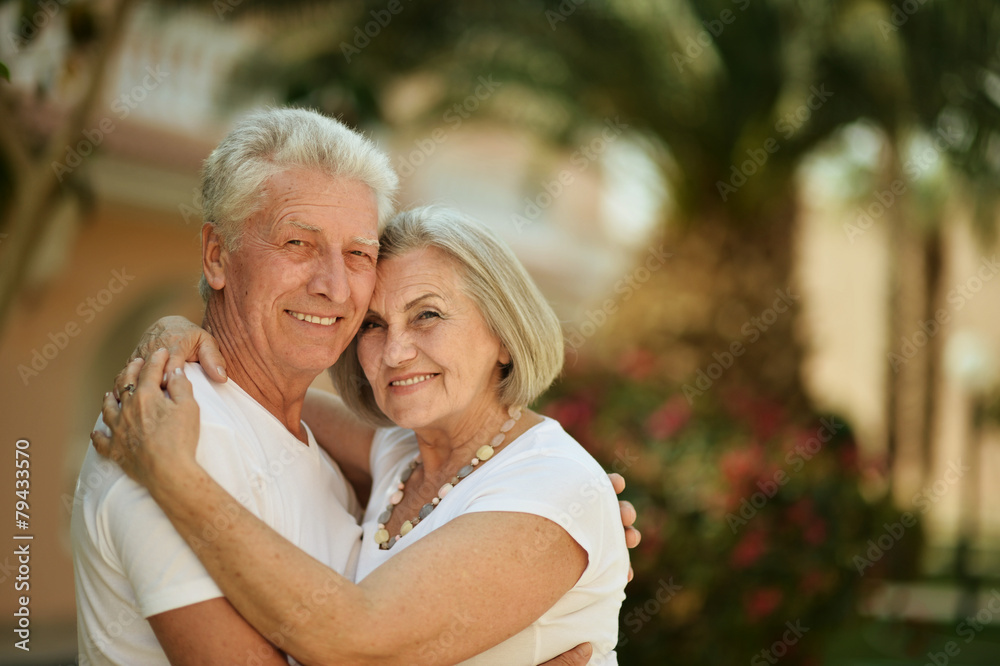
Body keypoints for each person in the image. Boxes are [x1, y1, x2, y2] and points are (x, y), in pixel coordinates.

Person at [72, 107, 637, 665]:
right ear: (217, 256)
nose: (335, 288)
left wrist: (176, 475)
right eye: (297, 244)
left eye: (429, 315)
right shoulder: (166, 430)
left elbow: (357, 636)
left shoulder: (169, 457)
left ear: (505, 335)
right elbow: (268, 400)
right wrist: (177, 340)